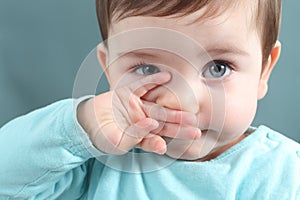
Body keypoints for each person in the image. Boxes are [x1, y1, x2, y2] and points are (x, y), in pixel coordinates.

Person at [0, 0, 299, 199]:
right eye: (147, 69)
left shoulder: (287, 174)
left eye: (218, 68)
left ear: (263, 70)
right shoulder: (93, 166)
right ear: (110, 69)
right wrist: (84, 126)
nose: (181, 101)